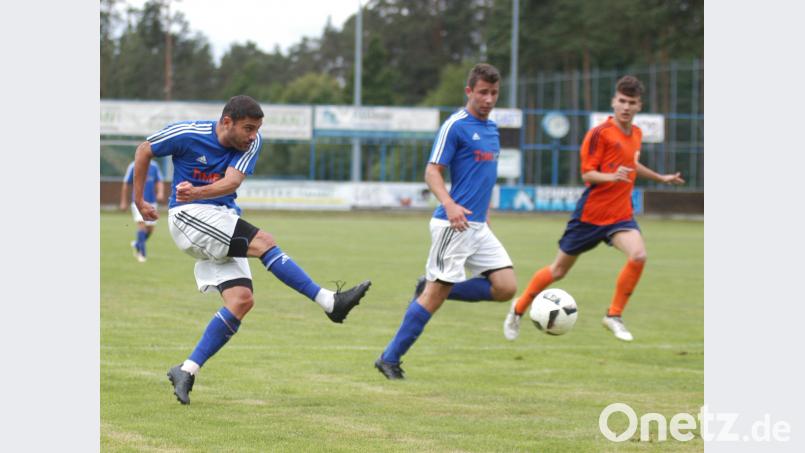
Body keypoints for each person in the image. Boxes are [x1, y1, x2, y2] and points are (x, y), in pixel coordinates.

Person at [132, 95, 372, 404]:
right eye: (248, 128)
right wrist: (140, 201)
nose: (253, 136)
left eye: (257, 129)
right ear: (227, 122)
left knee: (241, 301)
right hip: (188, 217)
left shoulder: (250, 144)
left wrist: (198, 191)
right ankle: (330, 302)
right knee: (264, 242)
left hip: (220, 216)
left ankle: (186, 370)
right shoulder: (187, 133)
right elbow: (144, 150)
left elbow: (231, 183)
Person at [502, 75, 685, 342]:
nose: (625, 106)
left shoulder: (636, 133)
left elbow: (631, 165)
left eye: (631, 102)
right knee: (558, 271)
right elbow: (587, 175)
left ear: (638, 106)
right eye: (621, 100)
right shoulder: (599, 134)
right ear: (613, 101)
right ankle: (517, 310)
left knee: (639, 255)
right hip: (590, 217)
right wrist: (613, 177)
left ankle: (614, 315)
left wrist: (660, 178)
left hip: (620, 216)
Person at [374, 64, 517, 380]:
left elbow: (483, 178)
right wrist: (450, 204)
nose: (489, 99)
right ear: (469, 92)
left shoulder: (492, 129)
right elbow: (432, 172)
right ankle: (389, 358)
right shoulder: (456, 126)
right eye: (482, 92)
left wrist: (486, 213)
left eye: (494, 93)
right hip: (453, 225)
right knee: (434, 299)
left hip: (477, 226)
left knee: (506, 287)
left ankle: (431, 287)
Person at [120, 160, 165, 262]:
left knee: (150, 229)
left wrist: (160, 193)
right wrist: (123, 201)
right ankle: (141, 253)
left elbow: (159, 181)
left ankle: (137, 243)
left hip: (152, 202)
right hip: (138, 202)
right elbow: (126, 183)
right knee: (142, 225)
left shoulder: (154, 166)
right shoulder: (133, 166)